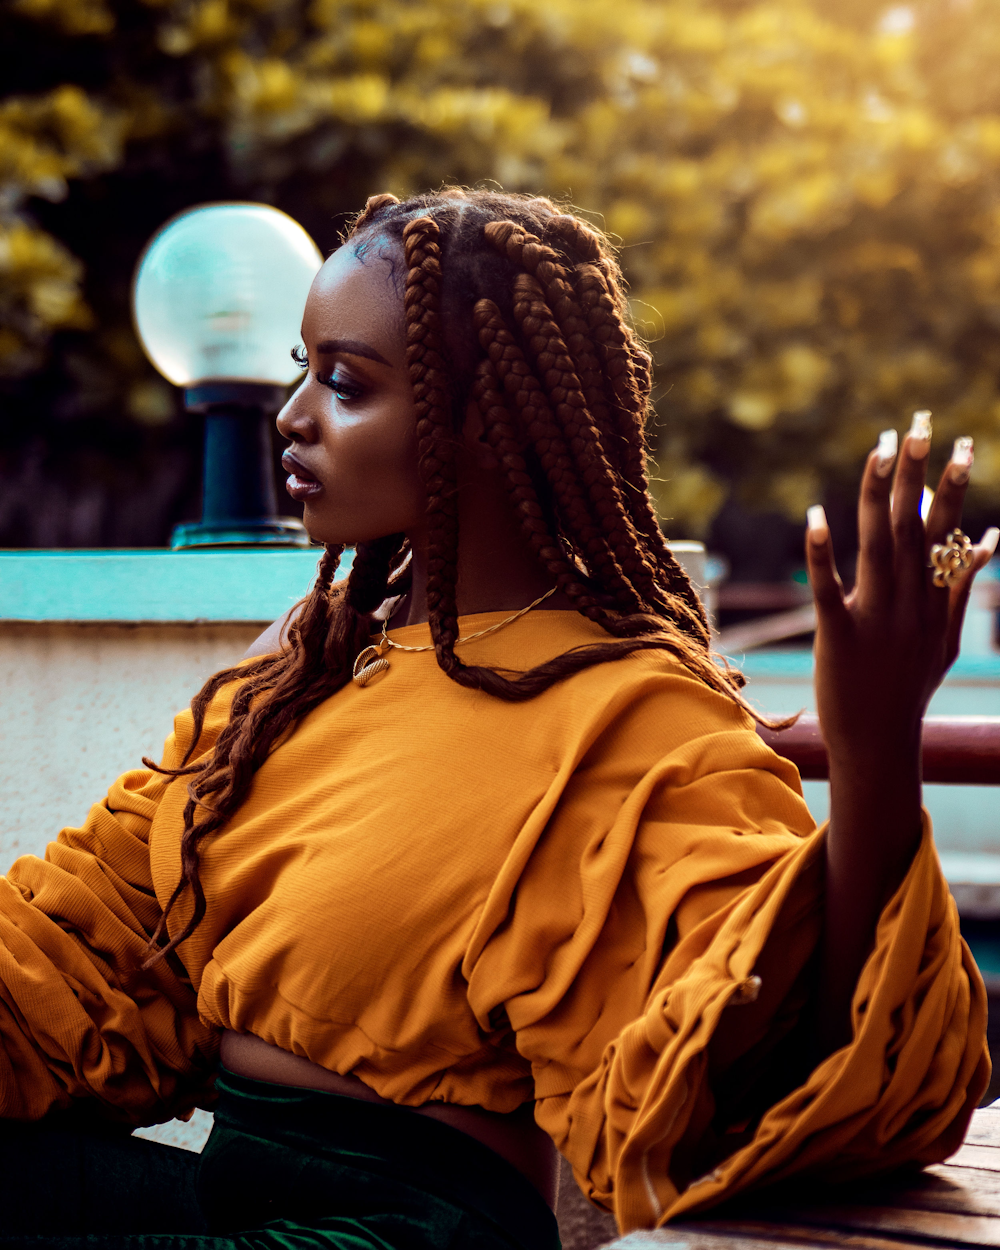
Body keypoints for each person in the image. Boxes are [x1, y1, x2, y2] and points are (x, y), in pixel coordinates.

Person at [0, 188, 995, 1250]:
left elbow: (770, 1055)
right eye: (303, 370)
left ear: (483, 417)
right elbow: (86, 934)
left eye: (344, 383)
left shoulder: (633, 707)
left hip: (408, 1229)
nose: (293, 415)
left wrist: (876, 751)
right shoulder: (305, 661)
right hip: (227, 1191)